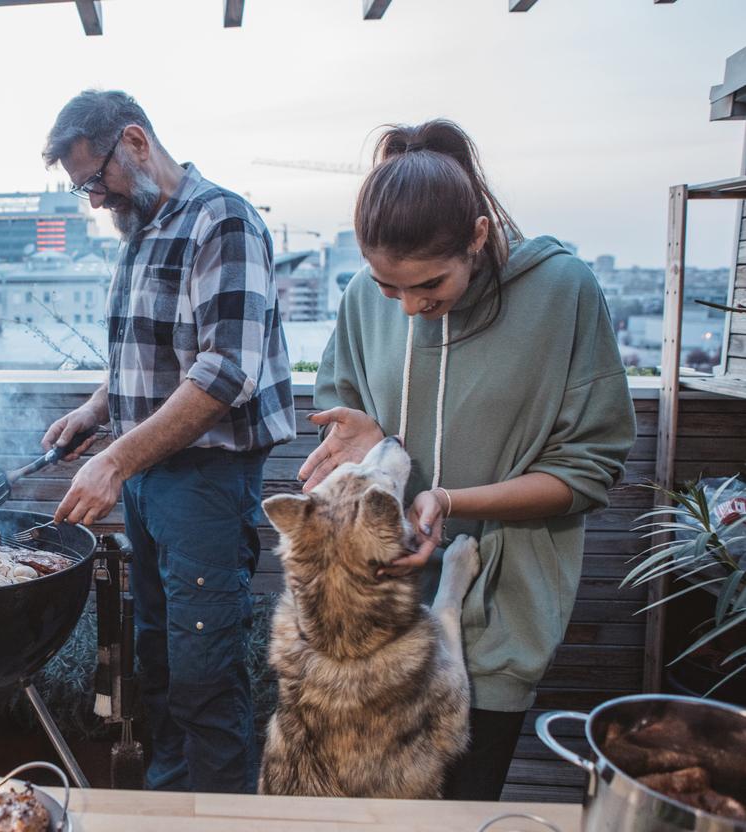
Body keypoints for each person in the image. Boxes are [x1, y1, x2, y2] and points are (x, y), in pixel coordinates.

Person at [299, 119, 635, 801]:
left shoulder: (562, 291)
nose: (412, 310)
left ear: (477, 237)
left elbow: (587, 471)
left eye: (429, 288)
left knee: (458, 807)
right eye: (390, 289)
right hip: (374, 618)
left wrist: (450, 502)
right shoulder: (365, 299)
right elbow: (346, 435)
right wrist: (368, 447)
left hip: (498, 616)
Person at [39, 90, 295, 794]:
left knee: (202, 674)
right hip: (152, 478)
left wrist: (113, 459)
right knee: (158, 660)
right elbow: (153, 355)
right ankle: (165, 809)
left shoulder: (223, 220)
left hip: (206, 486)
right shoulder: (143, 228)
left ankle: (219, 817)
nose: (92, 201)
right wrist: (96, 410)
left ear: (135, 142)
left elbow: (222, 374)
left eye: (95, 179)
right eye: (81, 187)